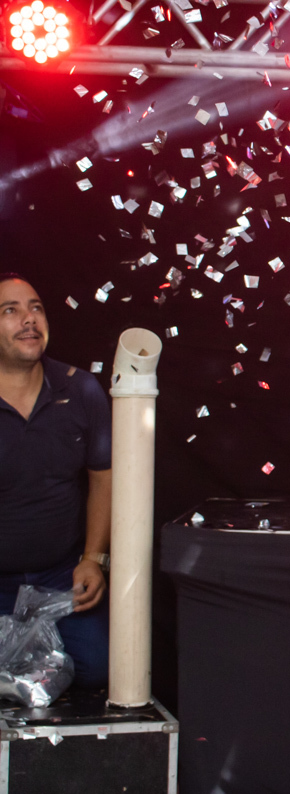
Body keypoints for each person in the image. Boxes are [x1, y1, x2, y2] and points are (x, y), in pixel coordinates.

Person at [0, 273, 111, 689]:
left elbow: (104, 479)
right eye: (10, 310)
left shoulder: (80, 388)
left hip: (60, 577)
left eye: (36, 308)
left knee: (97, 670)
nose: (29, 319)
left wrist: (93, 559)